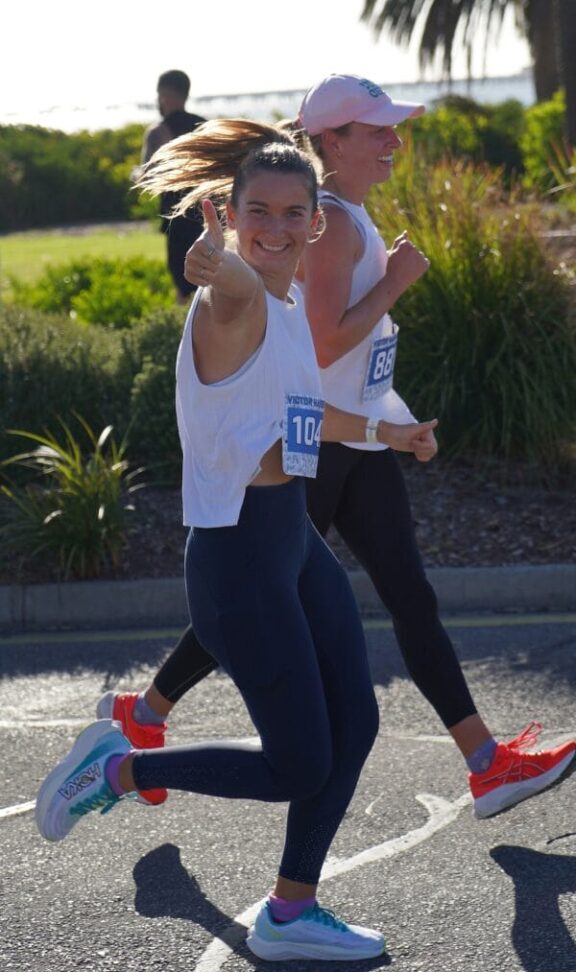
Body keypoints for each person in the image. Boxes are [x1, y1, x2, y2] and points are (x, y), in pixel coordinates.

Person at [99, 75, 576, 821]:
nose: (393, 140)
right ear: (330, 143)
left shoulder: (340, 218)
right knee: (266, 598)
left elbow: (317, 351)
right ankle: (142, 726)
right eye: (374, 130)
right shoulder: (336, 228)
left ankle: (483, 763)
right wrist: (391, 286)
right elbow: (309, 333)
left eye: (392, 129)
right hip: (308, 443)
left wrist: (389, 425)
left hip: (341, 436)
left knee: (390, 600)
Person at [36, 120, 440, 962]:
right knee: (297, 764)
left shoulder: (289, 305)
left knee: (355, 723)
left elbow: (296, 412)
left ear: (316, 222)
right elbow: (227, 290)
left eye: (296, 213)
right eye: (260, 211)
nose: (279, 228)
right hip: (238, 565)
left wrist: (385, 433)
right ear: (228, 210)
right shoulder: (239, 298)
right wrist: (217, 264)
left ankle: (290, 912)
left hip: (290, 541)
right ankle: (119, 769)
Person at [141, 69, 205, 303]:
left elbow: (147, 178)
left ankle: (183, 334)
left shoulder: (158, 132)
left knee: (182, 287)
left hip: (177, 220)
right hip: (208, 218)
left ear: (165, 95)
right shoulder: (205, 127)